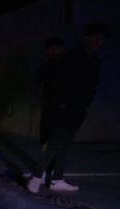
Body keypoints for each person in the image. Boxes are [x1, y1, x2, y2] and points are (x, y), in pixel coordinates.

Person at [27, 23, 108, 194]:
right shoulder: (72, 56)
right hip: (62, 108)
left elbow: (92, 85)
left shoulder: (94, 60)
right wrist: (60, 102)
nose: (98, 41)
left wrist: (85, 106)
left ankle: (56, 179)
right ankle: (36, 178)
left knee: (62, 144)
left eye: (100, 39)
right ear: (86, 38)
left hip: (78, 110)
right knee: (55, 143)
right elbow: (58, 80)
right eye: (95, 37)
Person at [38, 36, 66, 185]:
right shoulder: (46, 66)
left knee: (56, 143)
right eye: (51, 49)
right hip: (48, 110)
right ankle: (44, 173)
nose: (54, 51)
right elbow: (41, 85)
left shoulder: (65, 67)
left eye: (57, 48)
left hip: (59, 111)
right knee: (47, 142)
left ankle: (52, 174)